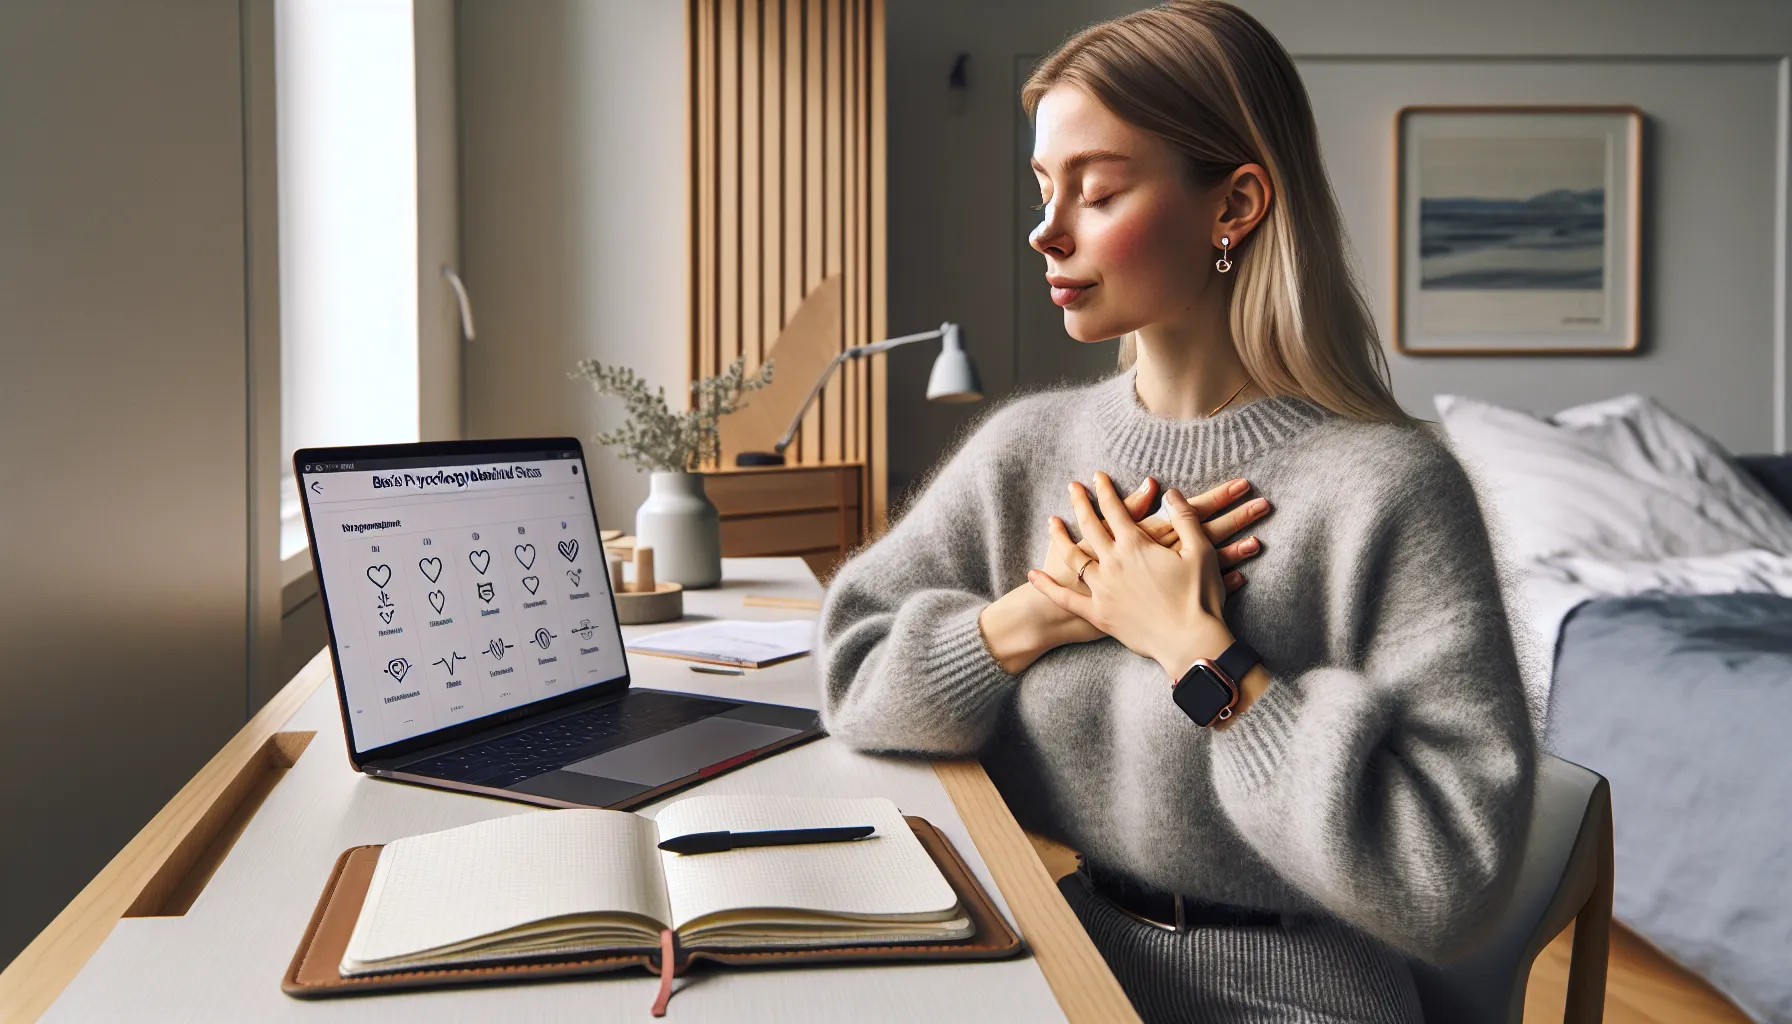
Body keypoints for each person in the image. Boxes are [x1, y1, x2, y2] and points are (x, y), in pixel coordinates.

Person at [814, 2, 1536, 1021]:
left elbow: (1447, 883)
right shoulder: (1026, 451)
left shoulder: (1389, 489)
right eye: (1042, 187)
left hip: (1297, 998)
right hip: (1056, 958)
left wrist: (1202, 658)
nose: (1046, 228)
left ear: (1233, 204)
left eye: (1097, 191)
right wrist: (1035, 615)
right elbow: (854, 680)